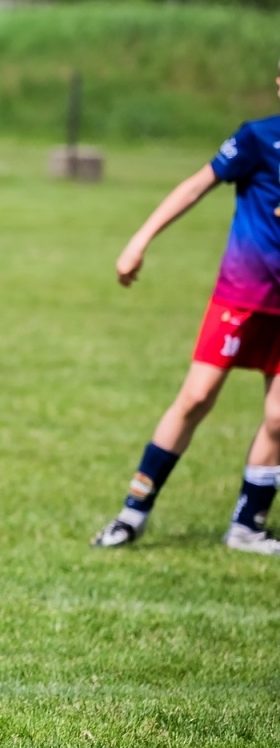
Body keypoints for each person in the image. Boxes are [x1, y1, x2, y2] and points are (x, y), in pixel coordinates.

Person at [94, 65, 280, 554]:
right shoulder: (258, 138)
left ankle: (247, 527)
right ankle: (132, 513)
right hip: (244, 294)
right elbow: (196, 185)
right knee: (196, 397)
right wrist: (140, 239)